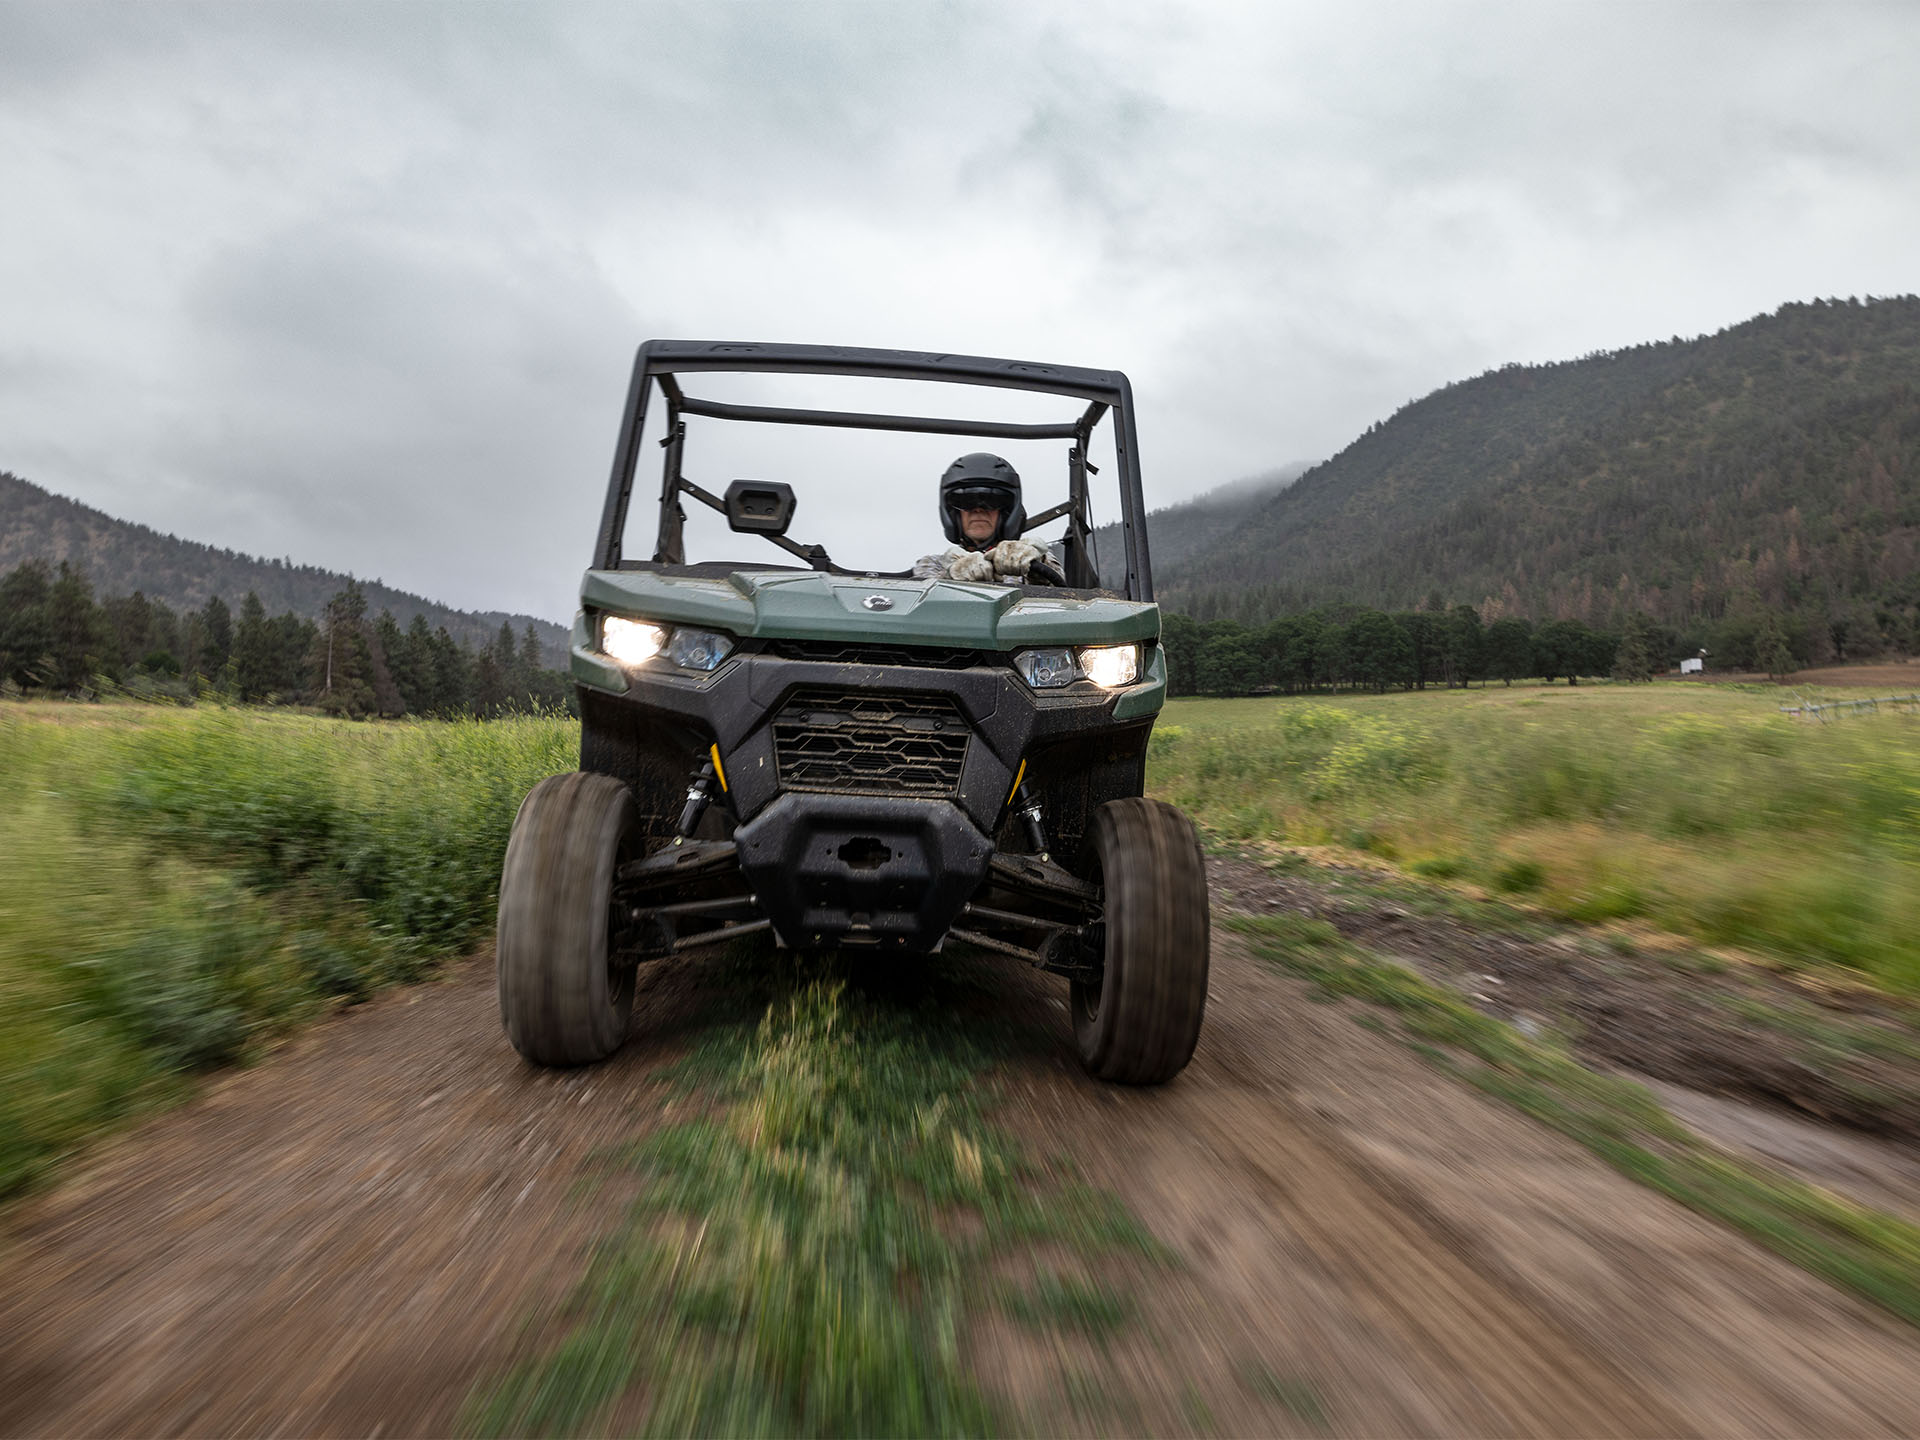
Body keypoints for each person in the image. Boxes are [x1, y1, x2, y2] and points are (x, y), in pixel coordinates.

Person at [912, 452, 1056, 584]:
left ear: (1007, 512)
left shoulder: (1030, 560)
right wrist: (952, 575)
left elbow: (1060, 591)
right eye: (966, 501)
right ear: (953, 514)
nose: (978, 510)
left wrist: (1036, 564)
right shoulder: (934, 565)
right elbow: (921, 595)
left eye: (992, 501)